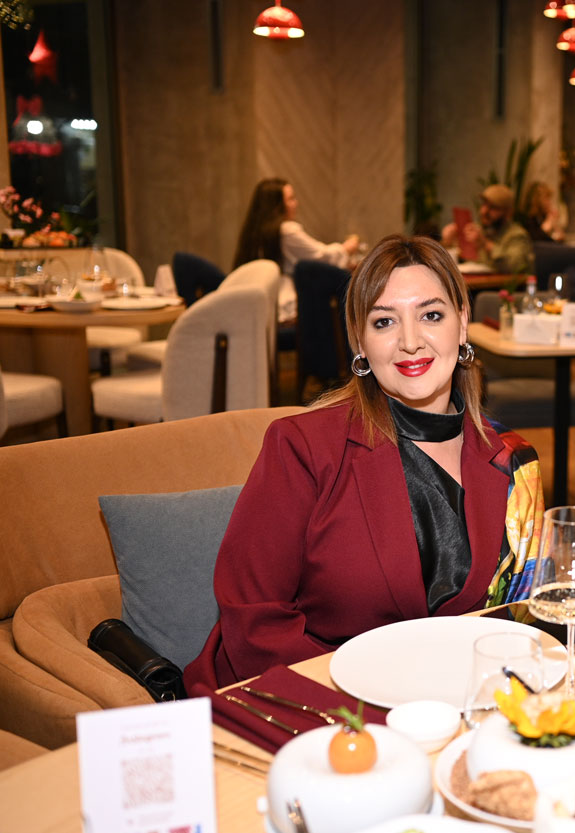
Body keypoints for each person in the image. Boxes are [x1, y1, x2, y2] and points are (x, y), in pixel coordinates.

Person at [184, 235, 545, 689]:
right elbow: (254, 619)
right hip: (316, 698)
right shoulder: (302, 447)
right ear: (360, 340)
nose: (410, 342)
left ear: (463, 324)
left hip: (459, 700)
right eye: (384, 321)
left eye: (431, 315)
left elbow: (524, 620)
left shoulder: (513, 462)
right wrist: (365, 702)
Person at [233, 177, 361, 324]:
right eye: (291, 199)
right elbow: (320, 256)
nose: (296, 203)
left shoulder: (252, 233)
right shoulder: (286, 231)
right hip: (285, 305)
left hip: (259, 307)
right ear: (277, 205)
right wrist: (346, 249)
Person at [441, 184, 534, 274]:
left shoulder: (517, 235)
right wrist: (448, 241)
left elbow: (515, 266)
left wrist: (485, 244)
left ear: (508, 212)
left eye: (493, 207)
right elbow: (462, 259)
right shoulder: (481, 230)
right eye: (484, 205)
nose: (484, 211)